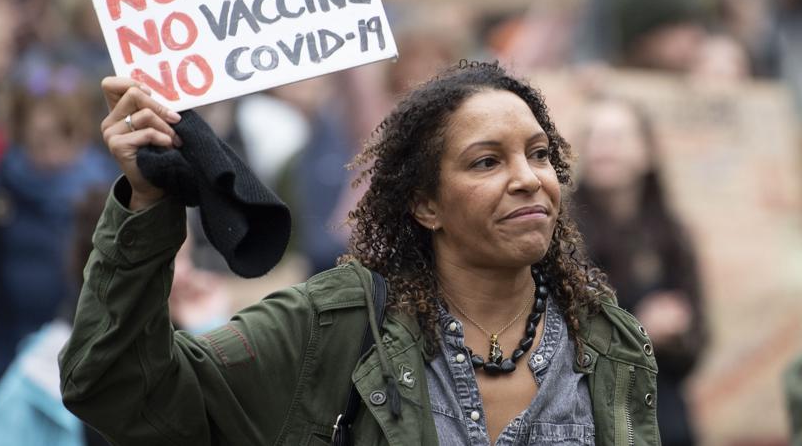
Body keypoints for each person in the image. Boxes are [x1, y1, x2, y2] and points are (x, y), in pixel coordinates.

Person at [60, 61, 660, 445]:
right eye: (486, 161)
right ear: (426, 204)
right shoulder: (333, 331)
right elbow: (116, 386)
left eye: (539, 154)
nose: (530, 178)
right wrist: (145, 201)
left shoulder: (609, 343)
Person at [0, 62, 117, 437]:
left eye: (64, 137)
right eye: (40, 140)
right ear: (19, 135)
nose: (53, 154)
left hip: (99, 384)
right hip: (19, 383)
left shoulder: (108, 198)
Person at [572, 97, 706, 446]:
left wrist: (678, 332)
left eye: (616, 137)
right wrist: (642, 330)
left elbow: (699, 338)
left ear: (646, 151)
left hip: (664, 413)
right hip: (589, 414)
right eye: (593, 137)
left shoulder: (671, 234)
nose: (603, 147)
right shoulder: (561, 234)